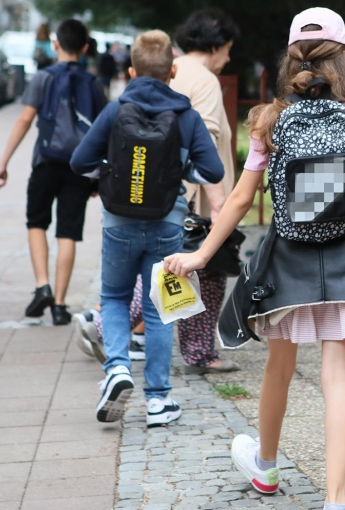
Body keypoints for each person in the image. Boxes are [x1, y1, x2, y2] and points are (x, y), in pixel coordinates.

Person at [164, 8, 345, 509]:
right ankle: (336, 499)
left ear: (289, 58)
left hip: (285, 265)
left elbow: (240, 199)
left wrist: (200, 255)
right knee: (337, 378)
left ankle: (265, 467)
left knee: (278, 369)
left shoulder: (271, 120)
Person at [71, 30, 224, 427]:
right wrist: (179, 171)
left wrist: (110, 173)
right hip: (167, 226)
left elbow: (79, 162)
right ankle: (158, 401)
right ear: (172, 71)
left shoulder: (115, 111)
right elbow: (213, 171)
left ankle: (117, 369)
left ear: (132, 71)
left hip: (118, 224)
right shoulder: (187, 117)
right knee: (159, 308)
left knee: (115, 298)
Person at [0, 19, 107, 326]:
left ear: (55, 44)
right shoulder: (93, 83)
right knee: (68, 231)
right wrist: (98, 175)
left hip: (45, 161)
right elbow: (103, 131)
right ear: (85, 48)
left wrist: (3, 162)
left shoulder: (43, 77)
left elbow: (24, 120)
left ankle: (42, 284)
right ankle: (59, 304)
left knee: (36, 222)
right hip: (79, 167)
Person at [170, 8, 239, 373]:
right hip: (198, 197)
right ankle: (199, 352)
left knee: (173, 268)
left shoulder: (172, 70)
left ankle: (106, 322)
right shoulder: (206, 81)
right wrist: (219, 202)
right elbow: (206, 144)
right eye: (227, 49)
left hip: (169, 191)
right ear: (215, 45)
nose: (227, 59)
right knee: (208, 271)